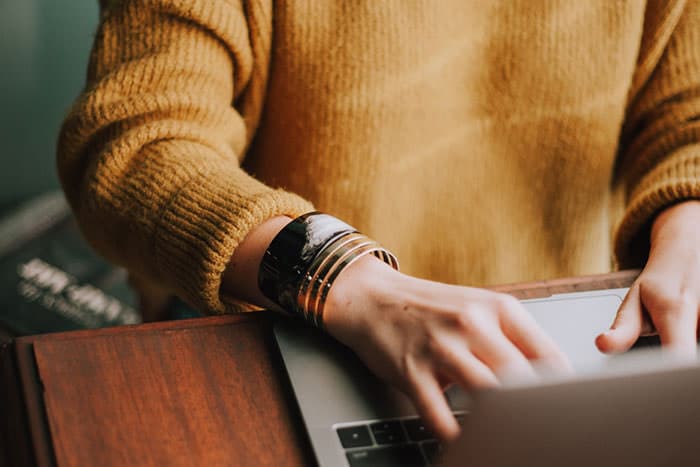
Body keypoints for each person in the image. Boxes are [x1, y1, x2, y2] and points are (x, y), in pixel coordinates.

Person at [57, 0, 700, 440]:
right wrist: (349, 281)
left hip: (574, 344)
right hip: (286, 330)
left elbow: (687, 116)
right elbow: (135, 145)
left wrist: (689, 221)